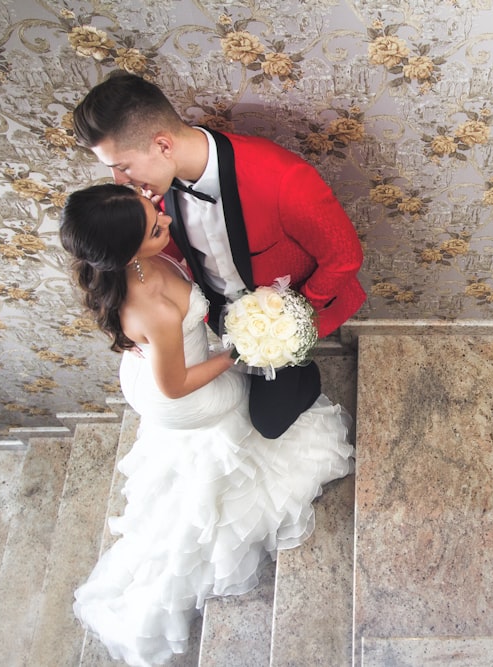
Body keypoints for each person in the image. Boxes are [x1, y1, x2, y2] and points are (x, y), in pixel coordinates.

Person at [60, 184, 355, 667]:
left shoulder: (128, 261)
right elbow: (176, 386)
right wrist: (236, 355)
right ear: (128, 248)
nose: (167, 222)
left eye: (154, 211)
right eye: (155, 227)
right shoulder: (150, 307)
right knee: (234, 431)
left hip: (164, 367)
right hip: (189, 393)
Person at [72, 71, 366, 439]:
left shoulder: (282, 181)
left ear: (163, 146)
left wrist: (292, 320)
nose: (120, 181)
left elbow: (344, 256)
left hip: (279, 321)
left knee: (270, 424)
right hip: (214, 319)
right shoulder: (146, 203)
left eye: (124, 166)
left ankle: (303, 373)